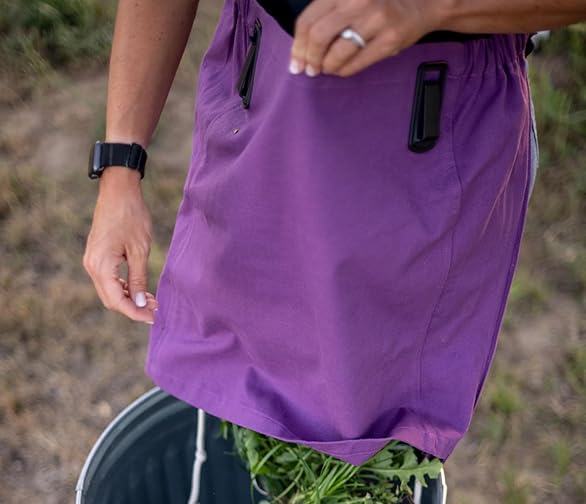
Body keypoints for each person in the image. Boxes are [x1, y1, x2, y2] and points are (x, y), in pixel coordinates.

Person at [83, 0, 586, 466]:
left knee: (380, 432)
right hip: (263, 91)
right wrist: (121, 163)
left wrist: (425, 5)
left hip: (426, 122)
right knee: (240, 380)